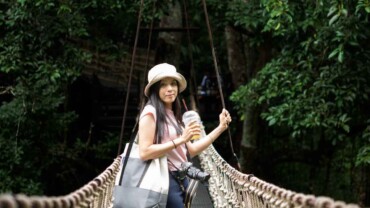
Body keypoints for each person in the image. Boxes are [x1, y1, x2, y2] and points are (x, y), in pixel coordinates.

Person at [138, 63, 232, 208]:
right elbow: (144, 152)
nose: (170, 89)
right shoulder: (150, 112)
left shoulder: (174, 115)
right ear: (155, 90)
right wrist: (180, 139)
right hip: (164, 179)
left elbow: (191, 150)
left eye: (173, 84)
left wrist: (220, 128)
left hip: (182, 177)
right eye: (163, 85)